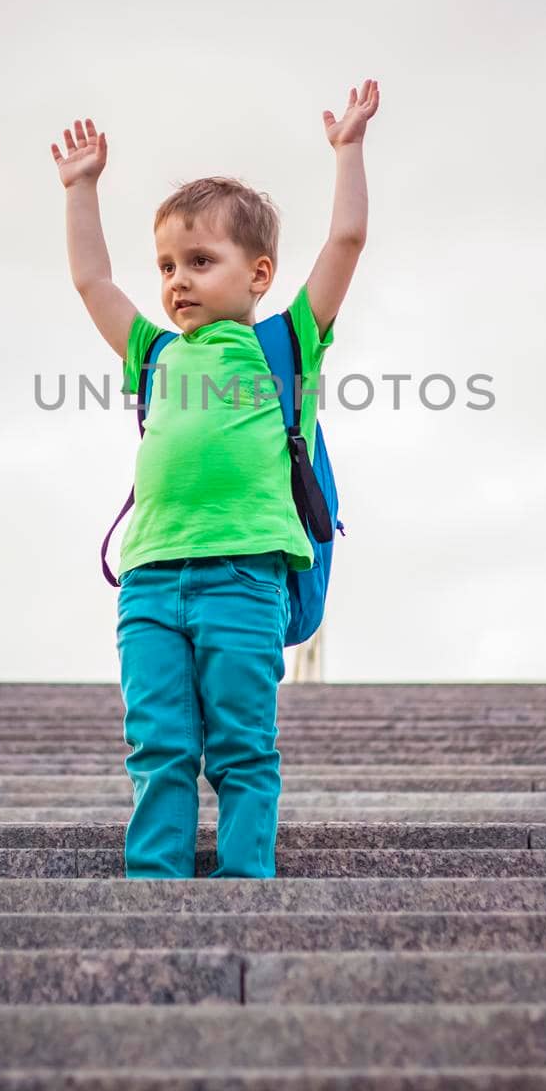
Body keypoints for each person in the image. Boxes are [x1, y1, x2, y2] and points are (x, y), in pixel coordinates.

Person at [50, 78, 379, 878]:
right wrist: (81, 191)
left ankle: (243, 885)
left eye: (201, 261)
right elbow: (95, 283)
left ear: (259, 273)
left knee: (240, 746)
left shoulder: (286, 346)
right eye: (167, 265)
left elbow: (345, 244)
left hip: (245, 576)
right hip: (152, 580)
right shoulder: (155, 354)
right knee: (159, 747)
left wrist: (349, 152)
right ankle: (155, 881)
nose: (177, 281)